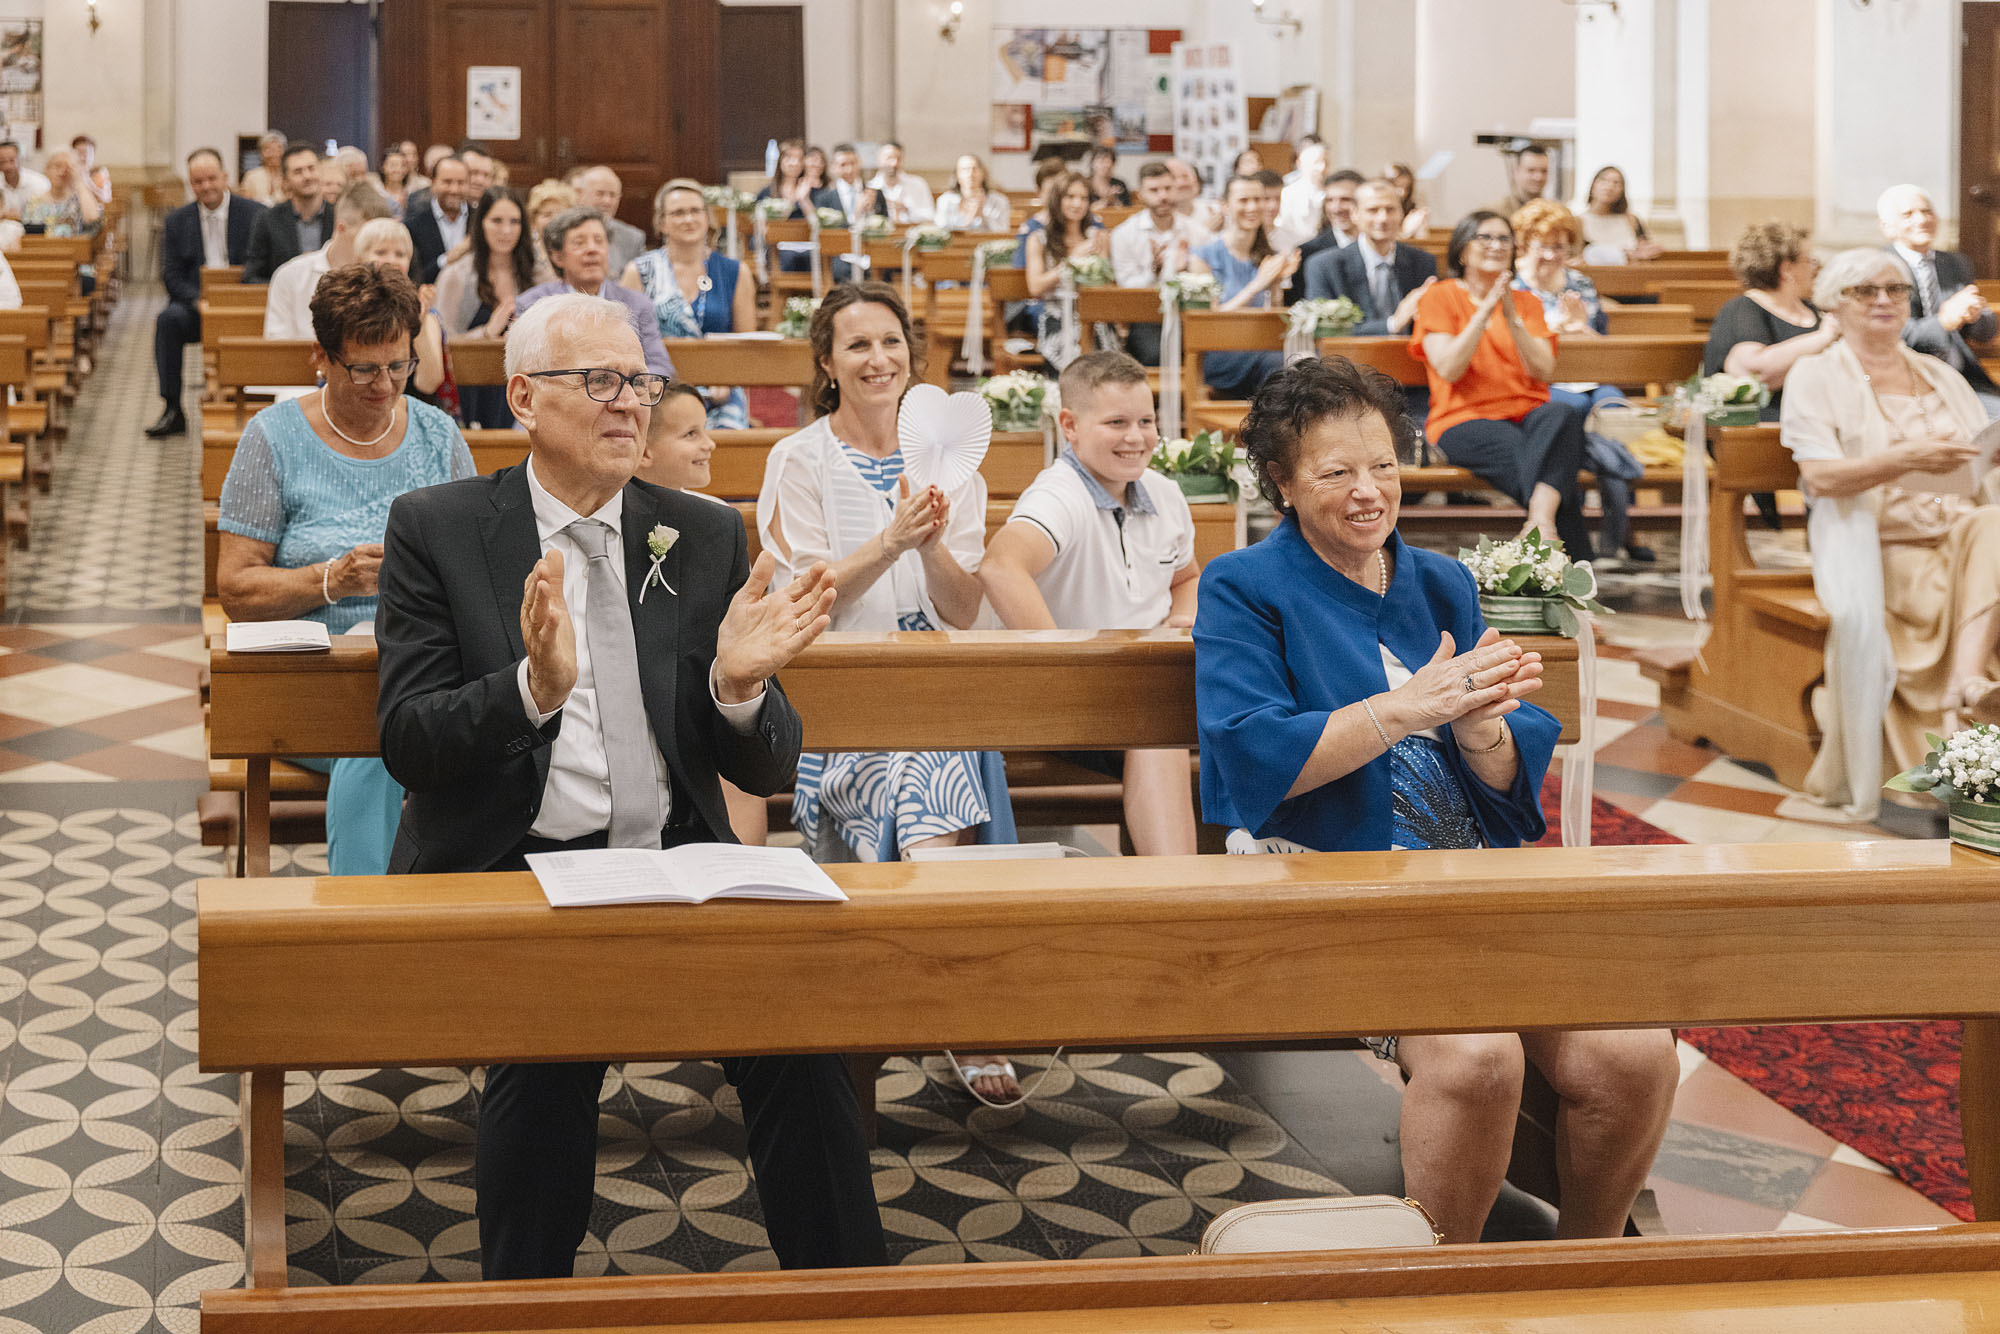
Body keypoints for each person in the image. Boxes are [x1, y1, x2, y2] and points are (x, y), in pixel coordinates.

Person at [374, 290, 885, 1280]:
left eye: (639, 382)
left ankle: (847, 1297)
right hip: (517, 872)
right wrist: (532, 688)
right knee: (543, 1062)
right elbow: (407, 739)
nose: (629, 404)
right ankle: (524, 1301)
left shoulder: (692, 533)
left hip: (678, 860)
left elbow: (763, 763)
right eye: (598, 381)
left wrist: (740, 688)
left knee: (804, 1039)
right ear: (524, 396)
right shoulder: (438, 529)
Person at [1195, 354, 1677, 1244]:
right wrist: (1409, 707)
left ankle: (1589, 1269)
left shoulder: (1442, 582)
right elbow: (1255, 759)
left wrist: (1479, 727)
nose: (1369, 491)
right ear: (1283, 482)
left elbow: (1499, 778)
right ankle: (1440, 1282)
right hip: (1328, 877)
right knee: (1478, 1055)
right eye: (1335, 472)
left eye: (1382, 464)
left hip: (1467, 877)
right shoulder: (1245, 587)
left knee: (1636, 1050)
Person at [759, 283, 1016, 1100]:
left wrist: (934, 548)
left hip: (934, 680)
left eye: (892, 343)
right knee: (915, 759)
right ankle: (960, 1003)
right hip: (837, 687)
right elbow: (802, 597)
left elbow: (965, 607)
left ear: (913, 354)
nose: (879, 359)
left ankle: (905, 996)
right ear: (827, 364)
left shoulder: (954, 468)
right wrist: (891, 539)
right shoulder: (798, 459)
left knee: (924, 751)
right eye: (858, 345)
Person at [218, 264, 474, 879]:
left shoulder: (438, 437)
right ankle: (362, 925)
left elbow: (478, 567)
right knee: (376, 738)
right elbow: (235, 587)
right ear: (322, 358)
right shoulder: (273, 438)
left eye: (399, 365)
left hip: (423, 669)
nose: (385, 385)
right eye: (364, 368)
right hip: (314, 677)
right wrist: (332, 579)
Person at [1782, 248, 2000, 822]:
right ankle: (1970, 695)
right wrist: (1903, 459)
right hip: (1878, 549)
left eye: (1897, 290)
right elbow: (1820, 477)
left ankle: (1964, 683)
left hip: (1963, 541)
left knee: (1991, 522)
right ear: (1834, 303)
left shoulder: (1938, 372)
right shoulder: (1815, 374)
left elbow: (1980, 465)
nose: (1884, 300)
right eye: (1866, 290)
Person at [981, 351, 1199, 856]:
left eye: (1146, 421)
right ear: (1070, 426)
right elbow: (999, 567)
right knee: (1154, 726)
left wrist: (1182, 615)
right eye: (1116, 423)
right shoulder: (1060, 495)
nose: (1136, 437)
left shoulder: (1164, 493)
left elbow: (1186, 576)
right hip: (1069, 698)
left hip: (1147, 682)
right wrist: (1068, 662)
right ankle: (1174, 888)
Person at [1409, 211, 1594, 558]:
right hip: (1463, 418)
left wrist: (1511, 318)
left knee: (1564, 413)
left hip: (1528, 414)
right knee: (1549, 468)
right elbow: (1448, 368)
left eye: (1504, 239)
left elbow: (1542, 369)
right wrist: (1483, 312)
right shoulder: (1441, 297)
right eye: (1485, 237)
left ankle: (1539, 525)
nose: (1496, 246)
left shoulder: (1527, 303)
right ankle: (1568, 565)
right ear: (1463, 251)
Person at [634, 381, 772, 847]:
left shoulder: (716, 521)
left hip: (711, 683)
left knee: (737, 768)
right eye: (690, 434)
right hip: (658, 686)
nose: (708, 443)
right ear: (644, 452)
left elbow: (738, 614)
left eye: (705, 430)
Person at [1511, 199, 1651, 564]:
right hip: (1542, 382)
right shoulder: (1512, 286)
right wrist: (1556, 329)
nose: (1553, 255)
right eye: (1544, 245)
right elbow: (1515, 350)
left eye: (1560, 246)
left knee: (1616, 408)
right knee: (1569, 411)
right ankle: (1570, 515)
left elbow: (1600, 347)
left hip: (1587, 375)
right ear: (1525, 244)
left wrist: (1580, 328)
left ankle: (1624, 522)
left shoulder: (1579, 283)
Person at [147, 148, 263, 439]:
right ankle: (172, 408)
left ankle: (254, 403)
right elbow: (170, 274)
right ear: (191, 184)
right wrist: (197, 300)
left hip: (242, 302)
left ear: (225, 177)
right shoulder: (177, 221)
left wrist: (237, 297)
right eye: (198, 181)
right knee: (167, 321)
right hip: (196, 305)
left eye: (211, 178)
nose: (206, 186)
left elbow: (261, 263)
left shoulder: (256, 214)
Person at [622, 178, 754, 429]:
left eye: (696, 211)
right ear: (662, 222)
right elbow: (626, 340)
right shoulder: (639, 272)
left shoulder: (736, 271)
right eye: (678, 213)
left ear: (707, 217)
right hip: (657, 389)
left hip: (720, 389)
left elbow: (744, 345)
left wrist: (726, 379)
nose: (688, 219)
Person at [1879, 183, 2000, 418]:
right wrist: (1944, 321)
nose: (1921, 219)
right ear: (1886, 227)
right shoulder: (1880, 267)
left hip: (1959, 377)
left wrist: (1975, 316)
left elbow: (1987, 331)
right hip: (1905, 382)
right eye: (1908, 214)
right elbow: (1892, 334)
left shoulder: (1955, 263)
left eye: (1927, 211)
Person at [518, 206, 673, 376]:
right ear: (557, 257)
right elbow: (529, 370)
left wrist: (625, 386)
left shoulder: (637, 305)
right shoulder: (533, 305)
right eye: (579, 243)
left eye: (599, 241)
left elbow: (660, 366)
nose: (592, 249)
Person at [1704, 219, 1837, 417]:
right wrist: (1825, 337)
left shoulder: (1814, 309)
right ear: (1787, 269)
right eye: (1810, 260)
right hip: (1765, 427)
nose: (1814, 268)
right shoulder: (1743, 309)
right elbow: (1757, 373)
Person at [1186, 174, 1297, 400]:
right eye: (1244, 200)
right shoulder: (1202, 256)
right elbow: (1208, 320)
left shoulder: (1268, 254)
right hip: (1221, 354)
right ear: (1226, 205)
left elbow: (1274, 318)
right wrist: (1257, 285)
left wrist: (1275, 284)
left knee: (1305, 359)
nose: (1253, 207)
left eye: (1259, 199)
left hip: (1261, 347)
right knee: (1280, 364)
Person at [438, 186, 535, 428]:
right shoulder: (457, 275)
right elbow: (443, 342)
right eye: (497, 221)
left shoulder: (537, 273)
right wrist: (487, 333)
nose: (506, 230)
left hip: (527, 390)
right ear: (481, 223)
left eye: (515, 222)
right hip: (471, 393)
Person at [263, 181, 396, 343]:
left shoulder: (384, 277)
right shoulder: (290, 275)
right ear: (341, 228)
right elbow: (278, 349)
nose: (375, 246)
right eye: (368, 236)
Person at [1303, 177, 1436, 335]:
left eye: (1390, 209)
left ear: (1402, 213)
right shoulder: (1324, 265)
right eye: (1373, 210)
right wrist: (1392, 324)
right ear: (1355, 214)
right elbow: (1326, 329)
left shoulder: (1422, 262)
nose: (1383, 218)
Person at [351, 219, 450, 407]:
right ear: (360, 259)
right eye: (380, 252)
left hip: (411, 411)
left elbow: (429, 384)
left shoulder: (426, 313)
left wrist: (417, 324)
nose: (392, 260)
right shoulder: (346, 309)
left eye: (400, 254)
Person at [1109, 162, 1198, 365]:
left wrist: (1189, 268)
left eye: (1167, 188)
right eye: (1154, 190)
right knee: (1157, 354)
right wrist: (1155, 271)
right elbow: (1126, 287)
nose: (1163, 196)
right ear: (1140, 194)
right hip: (1145, 319)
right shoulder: (1123, 234)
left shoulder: (1196, 231)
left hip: (1189, 316)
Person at [1021, 170, 1108, 366]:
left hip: (1093, 314)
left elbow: (1107, 283)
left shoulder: (1097, 236)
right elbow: (1035, 287)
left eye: (1084, 198)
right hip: (1056, 314)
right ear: (1057, 199)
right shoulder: (1038, 239)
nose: (1078, 204)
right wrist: (1071, 262)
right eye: (1070, 197)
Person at [243, 140, 330, 283]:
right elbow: (252, 276)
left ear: (321, 171)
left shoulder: (340, 215)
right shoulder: (267, 219)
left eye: (311, 168)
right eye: (298, 171)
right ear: (285, 181)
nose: (307, 176)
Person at [1286, 169, 1364, 304]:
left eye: (1345, 200)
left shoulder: (1379, 247)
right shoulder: (1308, 252)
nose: (1336, 208)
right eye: (1330, 200)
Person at [406, 154, 472, 284]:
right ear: (433, 183)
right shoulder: (413, 226)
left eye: (461, 182)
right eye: (447, 182)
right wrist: (446, 260)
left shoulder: (482, 221)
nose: (454, 189)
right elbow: (414, 278)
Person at [1577, 166, 1662, 263]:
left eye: (1616, 183)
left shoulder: (1632, 220)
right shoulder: (1578, 221)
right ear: (1593, 186)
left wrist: (1649, 251)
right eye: (1604, 180)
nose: (1609, 187)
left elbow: (1645, 249)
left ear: (1622, 191)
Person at [577, 166, 646, 277]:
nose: (607, 201)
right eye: (600, 194)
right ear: (580, 194)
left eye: (613, 195)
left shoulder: (633, 238)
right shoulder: (562, 231)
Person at [933, 153, 1009, 232]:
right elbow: (941, 229)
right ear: (957, 175)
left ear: (983, 173)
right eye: (965, 170)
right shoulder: (945, 200)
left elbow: (1002, 231)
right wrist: (970, 218)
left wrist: (983, 216)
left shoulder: (998, 200)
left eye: (974, 169)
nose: (970, 174)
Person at [812, 143, 881, 228]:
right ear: (833, 167)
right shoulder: (824, 198)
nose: (849, 170)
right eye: (843, 165)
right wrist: (857, 214)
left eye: (853, 163)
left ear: (859, 162)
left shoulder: (875, 193)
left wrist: (870, 211)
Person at [525, 178, 578, 283]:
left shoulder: (578, 248)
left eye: (560, 214)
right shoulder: (526, 250)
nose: (554, 220)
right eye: (547, 214)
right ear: (534, 219)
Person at [1275, 140, 1330, 239]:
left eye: (1325, 162)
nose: (1322, 167)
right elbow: (1283, 226)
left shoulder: (1331, 192)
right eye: (1316, 162)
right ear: (1300, 164)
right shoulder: (1289, 193)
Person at [869, 140, 933, 224]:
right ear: (878, 160)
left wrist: (907, 209)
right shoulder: (870, 187)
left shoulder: (918, 184)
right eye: (889, 158)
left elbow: (930, 216)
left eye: (898, 159)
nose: (894, 163)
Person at [754, 137, 813, 219]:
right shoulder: (767, 192)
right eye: (789, 157)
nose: (795, 163)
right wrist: (793, 200)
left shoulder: (809, 190)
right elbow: (760, 226)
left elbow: (817, 225)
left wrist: (804, 200)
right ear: (780, 161)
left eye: (799, 158)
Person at [237, 131, 287, 206]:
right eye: (269, 150)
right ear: (261, 153)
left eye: (278, 149)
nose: (274, 154)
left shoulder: (288, 176)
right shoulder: (251, 176)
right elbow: (245, 203)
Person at [1497, 145, 1550, 217]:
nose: (1538, 177)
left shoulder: (1554, 213)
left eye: (1544, 171)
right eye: (1531, 170)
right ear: (1516, 172)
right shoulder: (1499, 213)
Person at [1385, 161, 1430, 239]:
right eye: (1397, 186)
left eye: (1407, 188)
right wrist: (1405, 232)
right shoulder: (1379, 211)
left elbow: (1422, 242)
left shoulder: (1411, 208)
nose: (1402, 193)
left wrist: (1421, 225)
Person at [378, 145, 416, 217]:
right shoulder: (377, 194)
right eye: (393, 165)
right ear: (383, 167)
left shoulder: (413, 192)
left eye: (402, 165)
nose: (398, 170)